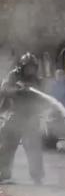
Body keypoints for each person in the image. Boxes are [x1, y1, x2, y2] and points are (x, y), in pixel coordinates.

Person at [0, 53, 45, 184]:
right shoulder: (13, 75)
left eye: (33, 67)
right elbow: (3, 89)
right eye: (28, 67)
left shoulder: (37, 80)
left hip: (31, 116)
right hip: (15, 113)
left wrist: (32, 90)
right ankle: (3, 172)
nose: (30, 70)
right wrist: (17, 90)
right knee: (7, 145)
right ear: (22, 67)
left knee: (34, 146)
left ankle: (37, 175)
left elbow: (43, 95)